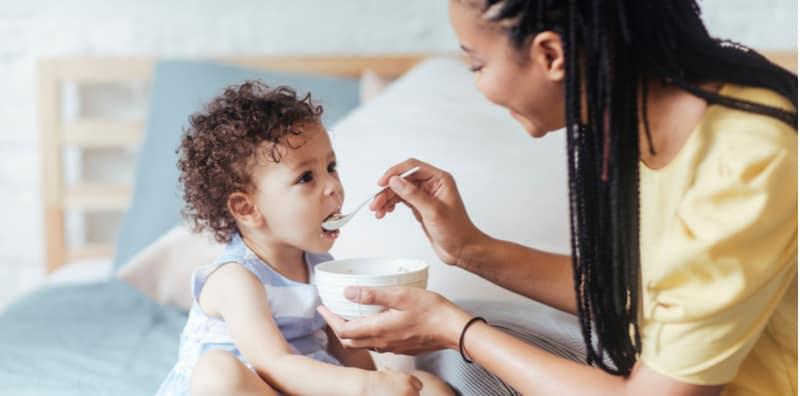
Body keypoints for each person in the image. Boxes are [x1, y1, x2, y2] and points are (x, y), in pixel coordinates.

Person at [319, 1, 798, 395]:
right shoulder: (636, 118)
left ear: (551, 55)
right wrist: (467, 248)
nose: (479, 87)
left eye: (477, 64)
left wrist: (457, 330)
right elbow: (641, 295)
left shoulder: (747, 161)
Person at [156, 81, 454, 396]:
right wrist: (365, 387)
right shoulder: (235, 279)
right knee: (218, 374)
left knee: (430, 387)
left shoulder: (321, 268)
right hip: (248, 388)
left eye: (331, 167)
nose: (332, 187)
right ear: (247, 208)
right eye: (306, 178)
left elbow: (348, 352)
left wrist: (376, 381)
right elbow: (275, 363)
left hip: (306, 386)